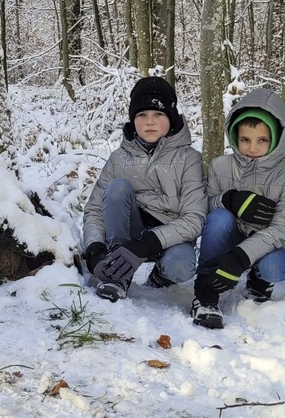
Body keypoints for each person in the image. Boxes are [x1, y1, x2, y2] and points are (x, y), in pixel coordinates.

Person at [82, 76, 207, 302]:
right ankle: (118, 273)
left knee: (181, 267)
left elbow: (195, 218)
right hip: (129, 230)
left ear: (171, 117)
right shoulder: (119, 159)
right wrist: (94, 247)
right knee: (117, 188)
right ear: (133, 120)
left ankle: (161, 276)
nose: (150, 121)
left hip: (170, 235)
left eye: (158, 114)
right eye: (142, 115)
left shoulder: (189, 159)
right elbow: (94, 209)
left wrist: (148, 243)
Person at [191, 88, 285, 329]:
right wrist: (229, 199)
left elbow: (281, 228)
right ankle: (205, 292)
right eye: (245, 140)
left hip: (268, 242)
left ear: (276, 139)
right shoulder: (221, 166)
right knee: (220, 217)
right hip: (231, 234)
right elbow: (206, 206)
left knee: (274, 267)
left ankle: (259, 281)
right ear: (234, 137)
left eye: (262, 140)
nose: (252, 148)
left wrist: (240, 257)